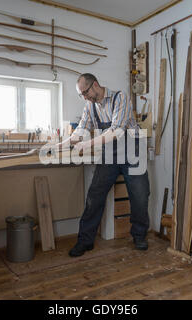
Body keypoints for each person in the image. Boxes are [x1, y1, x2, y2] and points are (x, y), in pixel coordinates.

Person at [57, 73, 150, 257]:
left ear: (95, 85)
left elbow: (116, 130)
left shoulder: (120, 97)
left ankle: (139, 235)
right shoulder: (90, 106)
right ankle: (85, 241)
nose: (84, 97)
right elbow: (81, 130)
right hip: (110, 153)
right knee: (94, 195)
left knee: (140, 194)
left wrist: (88, 144)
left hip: (132, 150)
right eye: (81, 95)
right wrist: (63, 144)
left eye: (85, 92)